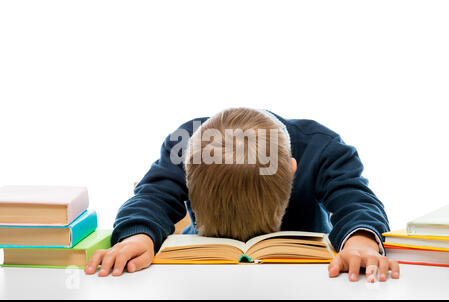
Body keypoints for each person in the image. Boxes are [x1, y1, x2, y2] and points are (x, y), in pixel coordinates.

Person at [85, 107, 400, 282]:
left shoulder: (322, 148)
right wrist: (137, 236)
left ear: (292, 171)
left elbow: (355, 198)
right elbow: (153, 195)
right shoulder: (186, 145)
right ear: (187, 176)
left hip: (301, 279)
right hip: (207, 276)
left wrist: (360, 239)